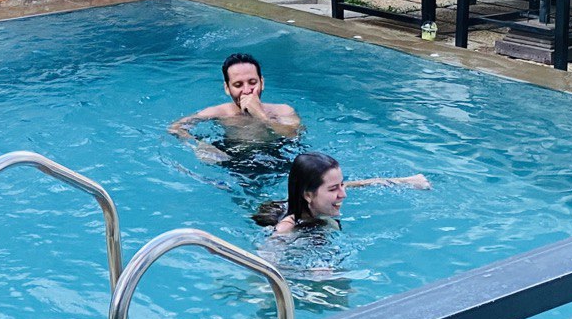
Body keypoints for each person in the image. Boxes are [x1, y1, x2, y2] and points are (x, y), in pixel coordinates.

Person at [257, 152, 432, 234]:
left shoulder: (315, 202)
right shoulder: (285, 229)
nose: (343, 193)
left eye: (341, 185)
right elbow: (265, 270)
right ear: (308, 195)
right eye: (334, 189)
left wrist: (405, 182)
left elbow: (358, 184)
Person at [169, 54, 302, 161]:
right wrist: (198, 145)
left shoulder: (283, 110)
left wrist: (261, 115)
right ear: (227, 88)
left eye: (252, 82)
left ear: (262, 82)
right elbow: (175, 127)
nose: (247, 90)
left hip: (277, 155)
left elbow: (293, 135)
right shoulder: (219, 112)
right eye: (238, 85)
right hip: (234, 159)